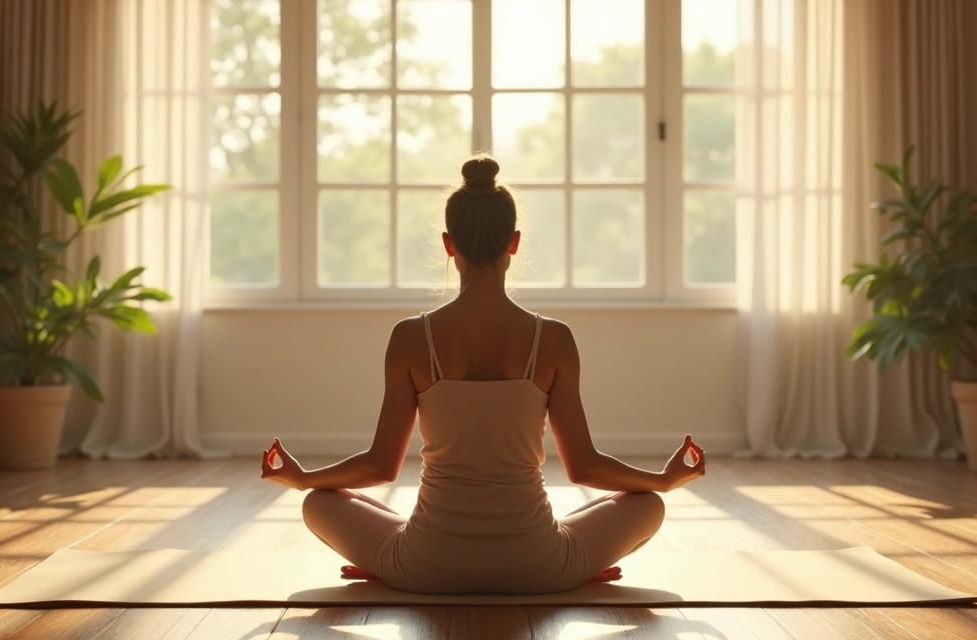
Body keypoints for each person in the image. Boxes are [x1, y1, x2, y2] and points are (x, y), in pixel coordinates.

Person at [261, 154, 706, 595]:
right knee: (647, 505)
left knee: (320, 502)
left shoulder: (411, 337)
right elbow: (584, 467)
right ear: (513, 243)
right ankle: (580, 564)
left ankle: (384, 562)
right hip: (540, 566)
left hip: (424, 565)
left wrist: (303, 479)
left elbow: (381, 465)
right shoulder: (552, 339)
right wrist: (663, 481)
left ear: (448, 244)